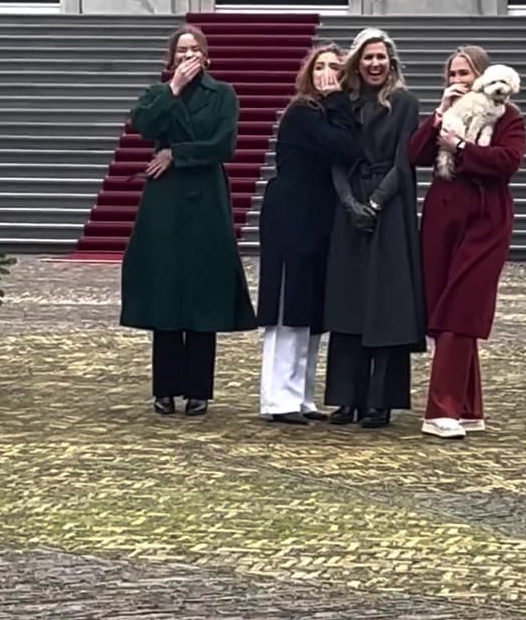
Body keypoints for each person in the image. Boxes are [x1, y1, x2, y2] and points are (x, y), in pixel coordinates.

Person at [120, 25, 256, 416]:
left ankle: (198, 389)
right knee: (166, 291)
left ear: (206, 56)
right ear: (171, 58)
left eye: (194, 49)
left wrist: (176, 154)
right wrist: (174, 89)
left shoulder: (223, 94)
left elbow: (224, 144)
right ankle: (164, 388)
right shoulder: (158, 93)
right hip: (165, 202)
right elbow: (144, 125)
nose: (188, 55)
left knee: (203, 292)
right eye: (181, 50)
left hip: (205, 201)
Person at [408, 45, 526, 440]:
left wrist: (460, 147)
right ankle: (468, 406)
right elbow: (415, 155)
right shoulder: (447, 113)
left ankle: (441, 409)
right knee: (443, 306)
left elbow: (507, 162)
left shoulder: (509, 116)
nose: (457, 80)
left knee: (462, 308)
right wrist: (440, 114)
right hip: (442, 219)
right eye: (452, 74)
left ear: (483, 76)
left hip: (485, 219)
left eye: (464, 73)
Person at [323, 28, 424, 429]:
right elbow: (335, 157)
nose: (375, 63)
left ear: (391, 61)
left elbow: (404, 161)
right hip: (348, 204)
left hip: (390, 206)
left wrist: (376, 203)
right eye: (368, 57)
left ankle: (381, 399)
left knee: (387, 302)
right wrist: (349, 203)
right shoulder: (344, 103)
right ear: (357, 63)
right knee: (348, 301)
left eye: (381, 57)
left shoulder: (405, 103)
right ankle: (346, 397)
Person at [257, 43, 361, 425]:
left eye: (335, 67)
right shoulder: (302, 112)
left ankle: (302, 395)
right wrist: (337, 102)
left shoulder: (333, 111)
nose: (327, 74)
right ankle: (278, 397)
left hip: (320, 214)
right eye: (320, 67)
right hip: (291, 213)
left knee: (311, 307)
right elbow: (343, 148)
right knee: (289, 304)